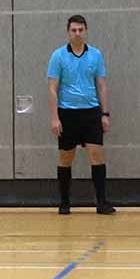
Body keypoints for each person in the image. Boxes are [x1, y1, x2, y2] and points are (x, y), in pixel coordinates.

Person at [47, 14, 114, 215]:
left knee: (97, 155)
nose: (77, 33)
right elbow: (52, 88)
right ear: (68, 32)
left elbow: (101, 86)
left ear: (86, 31)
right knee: (66, 158)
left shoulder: (96, 55)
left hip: (91, 113)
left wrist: (104, 114)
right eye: (73, 30)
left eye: (81, 30)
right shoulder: (58, 56)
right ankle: (64, 202)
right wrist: (55, 118)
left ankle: (101, 203)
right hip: (67, 114)